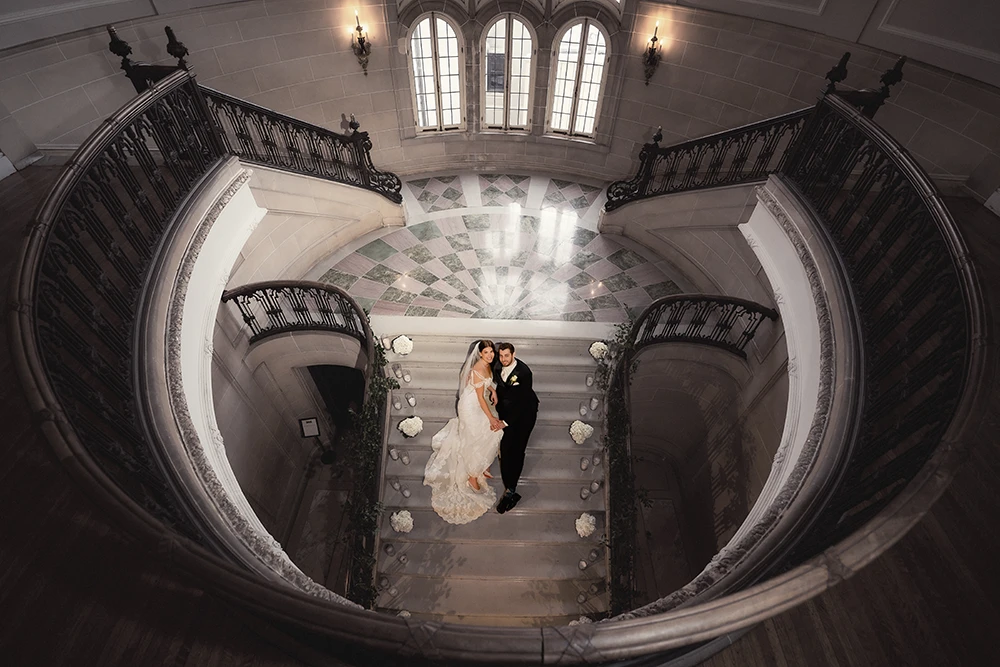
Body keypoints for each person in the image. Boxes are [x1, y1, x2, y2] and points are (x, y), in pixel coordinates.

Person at [422, 339, 504, 525]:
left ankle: (482, 464)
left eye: (492, 352)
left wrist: (494, 390)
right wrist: (491, 418)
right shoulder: (477, 369)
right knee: (491, 431)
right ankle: (472, 474)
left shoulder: (487, 366)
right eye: (486, 353)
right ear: (480, 354)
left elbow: (486, 383)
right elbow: (481, 400)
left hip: (477, 402)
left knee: (491, 433)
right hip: (470, 407)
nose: (490, 356)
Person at [491, 342, 539, 514]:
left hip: (524, 415)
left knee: (517, 451)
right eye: (501, 356)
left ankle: (511, 491)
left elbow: (522, 403)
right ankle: (509, 487)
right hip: (507, 411)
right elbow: (495, 380)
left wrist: (504, 422)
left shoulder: (524, 373)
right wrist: (493, 391)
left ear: (513, 354)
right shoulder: (497, 365)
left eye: (506, 356)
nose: (503, 359)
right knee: (505, 449)